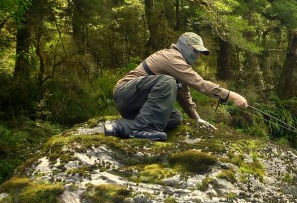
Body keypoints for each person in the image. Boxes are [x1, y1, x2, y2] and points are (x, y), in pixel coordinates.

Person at [104, 32, 248, 141]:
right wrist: (231, 95)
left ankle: (121, 127)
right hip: (124, 94)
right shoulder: (171, 57)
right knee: (167, 81)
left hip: (138, 104)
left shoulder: (179, 64)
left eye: (199, 53)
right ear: (185, 46)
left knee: (175, 117)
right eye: (195, 51)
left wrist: (197, 119)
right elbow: (199, 83)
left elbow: (183, 94)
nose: (198, 56)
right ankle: (143, 128)